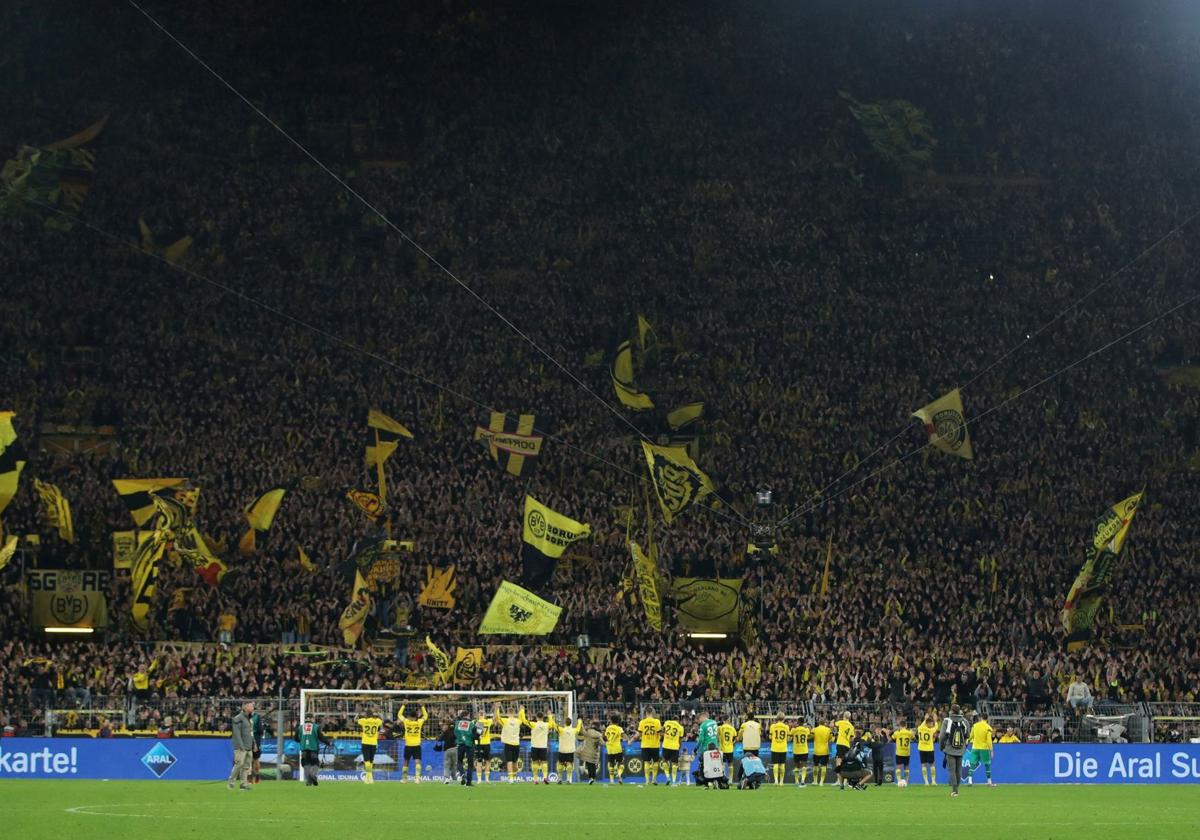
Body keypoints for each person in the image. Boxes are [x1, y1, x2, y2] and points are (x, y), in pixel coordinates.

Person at [939, 704, 970, 798]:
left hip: (950, 748)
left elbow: (942, 736)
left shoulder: (947, 721)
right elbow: (967, 735)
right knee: (959, 769)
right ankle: (957, 789)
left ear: (952, 711)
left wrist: (942, 747)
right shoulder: (965, 721)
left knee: (952, 770)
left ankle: (955, 790)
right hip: (961, 748)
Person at [295, 715, 332, 786]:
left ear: (306, 719)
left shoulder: (300, 728)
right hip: (313, 749)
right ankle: (313, 776)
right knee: (315, 763)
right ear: (312, 718)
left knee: (305, 764)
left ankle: (309, 780)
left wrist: (302, 740)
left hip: (304, 750)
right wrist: (328, 743)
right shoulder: (316, 727)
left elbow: (296, 738)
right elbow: (321, 737)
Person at [963, 712, 996, 787]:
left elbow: (971, 736)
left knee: (972, 764)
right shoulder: (988, 727)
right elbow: (989, 741)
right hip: (984, 749)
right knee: (987, 764)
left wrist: (966, 742)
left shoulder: (975, 725)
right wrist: (991, 750)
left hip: (975, 748)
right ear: (987, 719)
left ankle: (970, 781)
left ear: (981, 718)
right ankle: (989, 782)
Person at [228, 701, 255, 791]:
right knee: (239, 764)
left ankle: (243, 784)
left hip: (249, 746)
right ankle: (231, 782)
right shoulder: (238, 718)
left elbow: (251, 733)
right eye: (251, 706)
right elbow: (237, 734)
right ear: (245, 707)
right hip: (241, 747)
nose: (253, 708)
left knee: (246, 766)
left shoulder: (249, 719)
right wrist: (241, 746)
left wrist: (254, 744)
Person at [398, 704, 428, 783]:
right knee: (417, 761)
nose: (408, 718)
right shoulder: (419, 722)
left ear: (412, 717)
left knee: (406, 762)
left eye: (409, 717)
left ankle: (405, 779)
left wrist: (404, 705)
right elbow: (426, 716)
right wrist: (422, 706)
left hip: (408, 745)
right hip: (417, 745)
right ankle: (417, 779)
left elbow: (399, 715)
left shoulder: (407, 722)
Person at [522, 707, 553, 784]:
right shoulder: (547, 725)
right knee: (544, 762)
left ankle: (535, 779)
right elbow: (552, 724)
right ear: (543, 717)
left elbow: (524, 721)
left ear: (536, 717)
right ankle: (545, 777)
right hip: (543, 746)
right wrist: (550, 715)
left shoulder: (533, 724)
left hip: (535, 746)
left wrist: (522, 711)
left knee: (535, 762)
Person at [494, 704, 523, 783]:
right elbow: (522, 718)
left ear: (507, 713)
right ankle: (515, 777)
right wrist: (521, 710)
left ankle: (511, 779)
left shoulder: (505, 720)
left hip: (508, 744)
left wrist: (497, 708)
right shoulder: (518, 721)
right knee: (515, 762)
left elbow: (497, 717)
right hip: (516, 744)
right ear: (514, 713)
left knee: (509, 761)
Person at [357, 707, 383, 784]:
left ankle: (368, 776)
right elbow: (382, 720)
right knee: (371, 761)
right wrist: (378, 713)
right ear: (372, 715)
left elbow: (355, 720)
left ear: (366, 715)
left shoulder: (363, 721)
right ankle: (370, 778)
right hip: (374, 743)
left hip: (365, 742)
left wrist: (358, 714)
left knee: (366, 760)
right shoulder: (377, 721)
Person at [454, 708, 480, 786]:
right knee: (470, 764)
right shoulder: (473, 723)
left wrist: (460, 738)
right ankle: (468, 782)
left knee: (459, 761)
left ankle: (462, 774)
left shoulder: (458, 723)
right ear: (468, 715)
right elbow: (478, 734)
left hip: (460, 744)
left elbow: (455, 733)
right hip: (470, 745)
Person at [636, 709, 663, 785]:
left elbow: (640, 734)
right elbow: (660, 733)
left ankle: (647, 781)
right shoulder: (657, 721)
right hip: (655, 745)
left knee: (646, 762)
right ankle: (654, 779)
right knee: (655, 762)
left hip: (645, 745)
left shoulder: (642, 722)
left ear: (646, 713)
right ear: (652, 713)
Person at [695, 711, 720, 788]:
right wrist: (718, 745)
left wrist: (696, 748)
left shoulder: (703, 725)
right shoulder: (714, 722)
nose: (699, 721)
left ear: (703, 717)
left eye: (699, 719)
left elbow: (701, 739)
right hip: (715, 747)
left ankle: (707, 784)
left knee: (704, 766)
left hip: (706, 748)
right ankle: (716, 781)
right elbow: (717, 735)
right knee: (715, 765)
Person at [555, 716, 580, 784]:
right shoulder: (574, 730)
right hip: (570, 750)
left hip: (562, 749)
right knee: (569, 764)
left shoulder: (561, 730)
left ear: (565, 723)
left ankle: (559, 779)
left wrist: (553, 720)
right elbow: (578, 728)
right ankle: (568, 779)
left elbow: (555, 727)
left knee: (560, 764)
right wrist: (580, 721)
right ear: (571, 723)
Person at [661, 714, 685, 786]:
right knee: (674, 764)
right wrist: (679, 748)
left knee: (664, 761)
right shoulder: (680, 727)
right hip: (675, 747)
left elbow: (662, 731)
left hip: (666, 745)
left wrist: (665, 736)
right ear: (678, 721)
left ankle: (668, 777)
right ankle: (674, 781)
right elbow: (680, 740)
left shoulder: (667, 722)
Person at [579, 719, 604, 784]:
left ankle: (591, 778)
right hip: (595, 753)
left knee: (589, 765)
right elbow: (602, 743)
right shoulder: (599, 734)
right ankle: (593, 778)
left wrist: (581, 724)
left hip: (587, 752)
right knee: (593, 765)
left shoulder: (588, 732)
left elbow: (582, 731)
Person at [834, 711, 855, 789]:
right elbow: (852, 738)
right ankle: (845, 781)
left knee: (838, 763)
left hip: (840, 744)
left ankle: (841, 783)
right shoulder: (852, 726)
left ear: (844, 716)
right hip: (847, 745)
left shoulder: (841, 722)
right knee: (844, 764)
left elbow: (833, 725)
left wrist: (834, 720)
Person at [917, 712, 939, 785]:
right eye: (931, 723)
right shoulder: (931, 730)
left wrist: (926, 717)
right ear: (928, 723)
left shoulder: (919, 728)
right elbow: (936, 726)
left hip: (921, 749)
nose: (932, 725)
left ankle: (926, 781)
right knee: (932, 764)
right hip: (929, 749)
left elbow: (924, 722)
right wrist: (935, 720)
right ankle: (933, 781)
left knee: (923, 765)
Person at [768, 717, 790, 786]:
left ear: (777, 719)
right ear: (783, 719)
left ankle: (776, 780)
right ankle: (781, 781)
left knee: (776, 764)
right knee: (782, 764)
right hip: (783, 747)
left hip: (775, 747)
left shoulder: (773, 726)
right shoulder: (786, 727)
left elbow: (770, 737)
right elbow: (788, 738)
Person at [604, 715, 625, 784]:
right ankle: (619, 774)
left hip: (609, 748)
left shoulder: (608, 728)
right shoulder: (619, 728)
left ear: (611, 721)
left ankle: (611, 780)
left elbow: (605, 737)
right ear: (618, 721)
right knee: (621, 762)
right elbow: (623, 735)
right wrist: (628, 740)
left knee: (611, 763)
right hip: (617, 747)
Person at [790, 718, 811, 787]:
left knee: (797, 766)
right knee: (804, 765)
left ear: (798, 722)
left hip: (796, 750)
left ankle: (796, 781)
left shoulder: (794, 730)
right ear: (803, 722)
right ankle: (802, 781)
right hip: (804, 750)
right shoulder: (806, 730)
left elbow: (790, 734)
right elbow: (808, 734)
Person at [811, 718, 833, 786]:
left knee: (815, 765)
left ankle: (815, 781)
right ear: (825, 723)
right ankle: (821, 782)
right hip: (825, 751)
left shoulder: (814, 729)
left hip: (816, 750)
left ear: (818, 722)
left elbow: (811, 737)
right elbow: (830, 738)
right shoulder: (828, 730)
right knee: (824, 766)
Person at [892, 721, 914, 785]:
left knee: (898, 766)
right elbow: (913, 738)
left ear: (900, 726)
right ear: (906, 725)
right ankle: (906, 782)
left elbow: (892, 739)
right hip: (907, 752)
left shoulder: (897, 733)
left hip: (899, 752)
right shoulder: (909, 733)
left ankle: (899, 781)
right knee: (906, 766)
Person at [476, 711, 495, 782]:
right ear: (484, 715)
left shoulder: (478, 722)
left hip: (479, 744)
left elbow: (478, 734)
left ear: (478, 715)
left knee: (479, 761)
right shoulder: (488, 721)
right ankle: (487, 779)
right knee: (487, 761)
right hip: (486, 743)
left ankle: (479, 779)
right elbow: (495, 718)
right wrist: (496, 709)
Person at [717, 715, 737, 783]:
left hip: (722, 749)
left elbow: (718, 737)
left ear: (723, 720)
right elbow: (734, 739)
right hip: (730, 749)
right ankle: (730, 780)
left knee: (723, 764)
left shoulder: (720, 728)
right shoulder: (732, 728)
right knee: (730, 764)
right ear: (728, 720)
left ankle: (723, 778)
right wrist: (733, 744)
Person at [250, 706, 264, 784]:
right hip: (256, 739)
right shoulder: (257, 717)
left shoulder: (245, 716)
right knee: (256, 759)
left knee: (249, 759)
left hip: (248, 739)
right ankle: (257, 778)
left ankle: (251, 779)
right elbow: (260, 729)